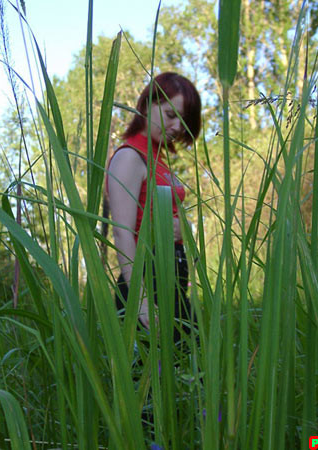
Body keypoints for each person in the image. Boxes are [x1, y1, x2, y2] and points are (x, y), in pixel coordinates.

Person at [106, 72, 202, 344]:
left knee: (189, 373)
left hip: (171, 282)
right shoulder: (130, 157)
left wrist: (185, 229)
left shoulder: (157, 157)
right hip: (146, 281)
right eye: (171, 115)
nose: (177, 127)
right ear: (148, 105)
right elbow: (123, 232)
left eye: (183, 121)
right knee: (153, 380)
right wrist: (141, 300)